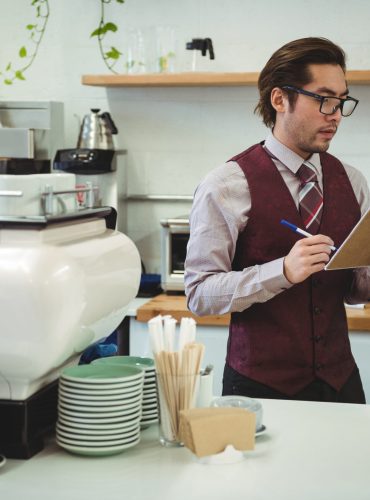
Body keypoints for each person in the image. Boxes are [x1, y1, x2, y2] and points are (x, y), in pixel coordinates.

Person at [184, 37, 370, 404]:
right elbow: (199, 294)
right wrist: (281, 271)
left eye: (342, 101)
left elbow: (354, 290)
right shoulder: (225, 185)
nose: (335, 114)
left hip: (341, 381)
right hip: (258, 386)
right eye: (324, 99)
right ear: (280, 99)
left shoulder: (353, 181)